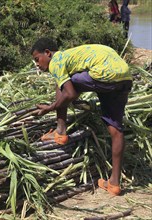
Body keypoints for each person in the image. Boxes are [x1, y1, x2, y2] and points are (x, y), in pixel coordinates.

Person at [31, 38, 132, 196]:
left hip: (104, 75)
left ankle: (60, 132)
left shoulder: (56, 61)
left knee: (62, 84)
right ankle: (114, 184)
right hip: (125, 78)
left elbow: (70, 92)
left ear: (48, 53)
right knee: (116, 129)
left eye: (37, 59)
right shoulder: (73, 55)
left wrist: (50, 107)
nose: (37, 64)